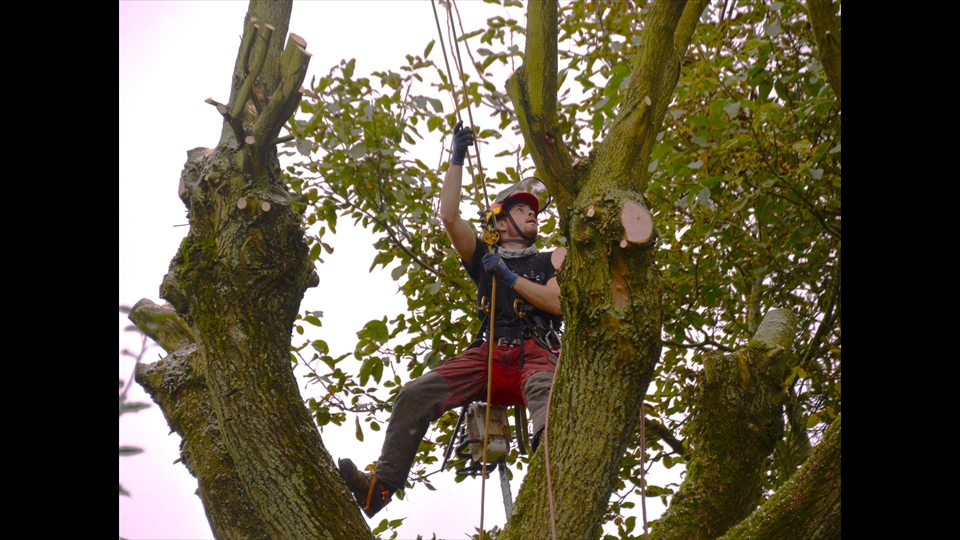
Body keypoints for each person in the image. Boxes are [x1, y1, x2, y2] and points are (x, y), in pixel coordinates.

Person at [338, 121, 565, 518]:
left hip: (535, 352)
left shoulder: (551, 258)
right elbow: (448, 216)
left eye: (534, 211)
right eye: (522, 209)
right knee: (415, 395)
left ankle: (555, 472)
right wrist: (456, 157)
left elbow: (558, 304)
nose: (533, 215)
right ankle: (381, 487)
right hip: (489, 356)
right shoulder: (481, 255)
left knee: (546, 392)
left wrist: (509, 277)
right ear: (500, 221)